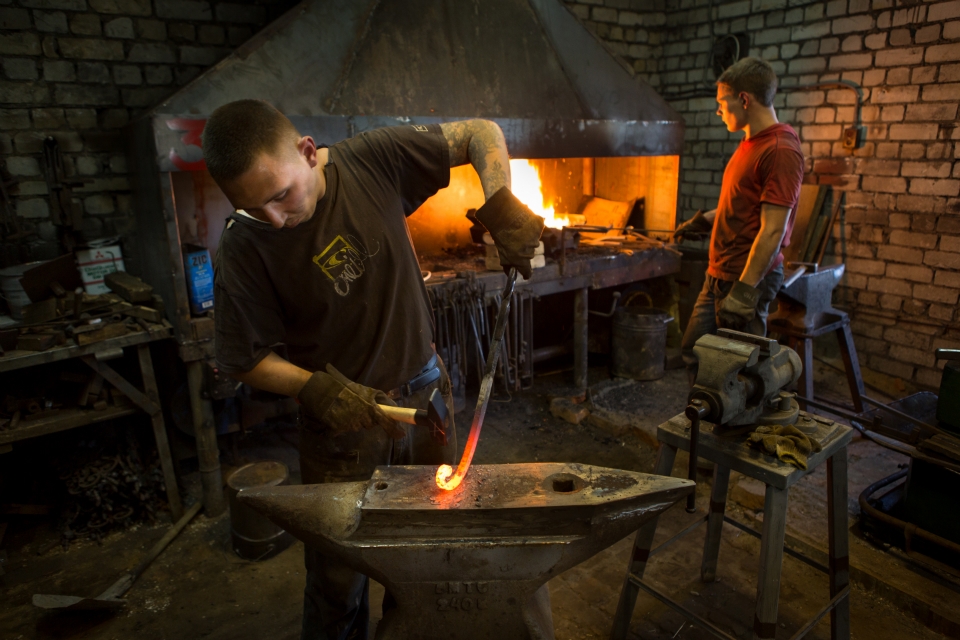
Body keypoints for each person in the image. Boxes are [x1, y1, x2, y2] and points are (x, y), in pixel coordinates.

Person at [201, 100, 544, 640]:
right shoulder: (244, 245)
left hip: (426, 400)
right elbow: (243, 358)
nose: (274, 218)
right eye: (253, 208)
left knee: (427, 556)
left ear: (307, 152)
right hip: (341, 430)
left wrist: (500, 202)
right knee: (338, 581)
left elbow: (479, 132)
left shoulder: (373, 159)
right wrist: (315, 388)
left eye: (280, 196)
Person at [673, 57, 805, 382]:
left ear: (744, 99)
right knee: (695, 354)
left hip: (745, 279)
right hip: (719, 273)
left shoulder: (780, 150)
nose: (718, 110)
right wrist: (705, 221)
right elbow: (744, 203)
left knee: (739, 373)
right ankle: (703, 415)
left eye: (722, 102)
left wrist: (745, 292)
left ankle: (741, 418)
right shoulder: (751, 142)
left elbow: (773, 230)